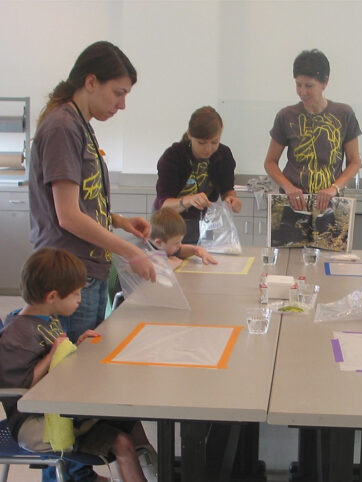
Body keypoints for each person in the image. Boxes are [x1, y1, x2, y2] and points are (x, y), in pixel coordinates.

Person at [28, 40, 156, 482]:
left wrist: (120, 220)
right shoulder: (63, 127)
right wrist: (130, 250)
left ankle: (80, 472)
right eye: (117, 93)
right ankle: (69, 475)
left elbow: (80, 201)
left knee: (84, 383)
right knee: (72, 391)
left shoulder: (80, 124)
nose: (121, 105)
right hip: (68, 275)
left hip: (87, 272)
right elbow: (66, 215)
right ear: (90, 81)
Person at [0, 248, 154, 482]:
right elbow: (22, 390)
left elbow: (58, 358)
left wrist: (75, 346)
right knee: (122, 440)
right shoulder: (17, 335)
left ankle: (156, 470)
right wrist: (52, 355)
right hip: (34, 425)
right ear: (52, 296)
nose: (80, 300)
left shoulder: (45, 318)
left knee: (130, 423)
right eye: (75, 294)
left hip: (55, 410)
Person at [264, 49, 362, 213]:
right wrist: (288, 187)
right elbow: (270, 162)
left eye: (309, 86)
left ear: (325, 82)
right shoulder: (286, 116)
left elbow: (355, 162)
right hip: (294, 203)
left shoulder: (344, 114)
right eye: (298, 85)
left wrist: (334, 188)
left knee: (329, 239)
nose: (302, 92)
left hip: (332, 203)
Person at [154, 106, 242, 244]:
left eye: (214, 142)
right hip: (169, 224)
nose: (208, 149)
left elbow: (227, 190)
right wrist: (189, 200)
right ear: (190, 135)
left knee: (200, 260)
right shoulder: (173, 156)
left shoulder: (223, 155)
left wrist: (232, 200)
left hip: (201, 222)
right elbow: (164, 205)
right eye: (201, 143)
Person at [149, 207, 217, 269]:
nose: (180, 245)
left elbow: (180, 250)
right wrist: (174, 263)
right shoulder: (146, 251)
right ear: (158, 242)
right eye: (176, 243)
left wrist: (196, 249)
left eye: (180, 241)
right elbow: (157, 268)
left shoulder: (165, 246)